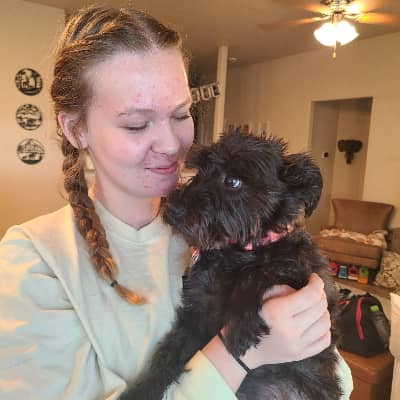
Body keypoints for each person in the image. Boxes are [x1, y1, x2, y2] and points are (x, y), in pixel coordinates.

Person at [0, 5, 353, 399]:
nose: (171, 145)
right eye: (136, 124)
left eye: (182, 115)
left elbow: (337, 375)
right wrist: (241, 354)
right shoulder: (34, 262)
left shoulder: (226, 227)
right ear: (75, 129)